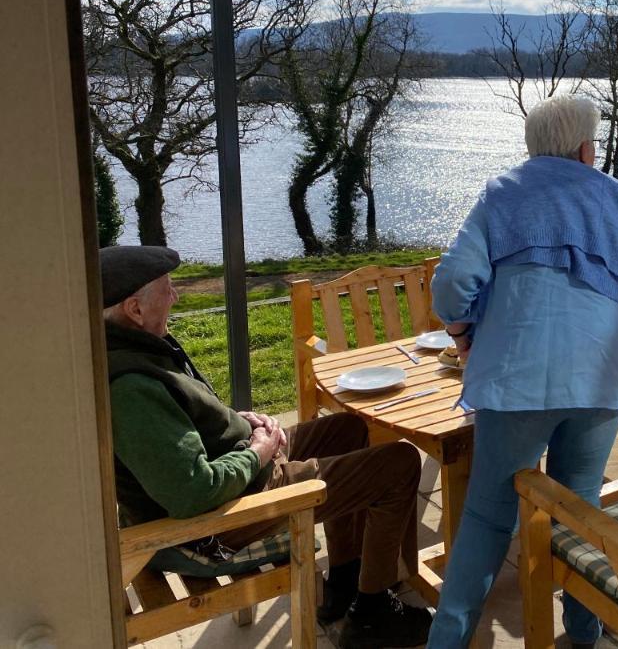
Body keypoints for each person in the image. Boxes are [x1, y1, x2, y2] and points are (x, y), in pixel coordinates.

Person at [425, 94, 618, 649]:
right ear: (588, 148)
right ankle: (583, 635)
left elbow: (449, 287)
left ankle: (446, 642)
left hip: (515, 381)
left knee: (489, 519)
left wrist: (463, 334)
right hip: (602, 376)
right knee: (579, 509)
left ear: (534, 145)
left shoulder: (501, 195)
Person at [99, 245, 431, 649]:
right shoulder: (132, 389)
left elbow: (183, 426)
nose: (176, 297)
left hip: (238, 470)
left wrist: (241, 422)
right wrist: (256, 450)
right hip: (223, 518)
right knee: (399, 462)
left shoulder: (135, 348)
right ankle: (372, 614)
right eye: (167, 290)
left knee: (347, 428)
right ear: (134, 309)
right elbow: (192, 493)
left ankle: (345, 579)